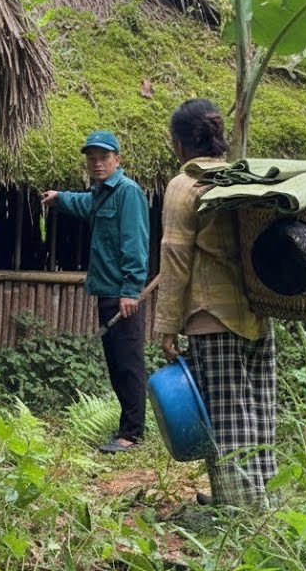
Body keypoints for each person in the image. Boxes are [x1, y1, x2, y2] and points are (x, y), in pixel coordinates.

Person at [155, 99, 274, 507]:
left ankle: (236, 509)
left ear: (179, 144)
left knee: (224, 417)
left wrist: (167, 324)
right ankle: (259, 498)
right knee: (258, 411)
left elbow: (174, 256)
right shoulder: (241, 179)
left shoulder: (184, 185)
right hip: (259, 312)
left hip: (211, 316)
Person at [42, 131, 150, 453]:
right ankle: (127, 430)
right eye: (92, 158)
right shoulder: (101, 194)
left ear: (117, 160)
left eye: (104, 157)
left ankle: (132, 434)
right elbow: (83, 203)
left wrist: (131, 290)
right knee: (116, 363)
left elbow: (135, 244)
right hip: (106, 292)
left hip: (122, 296)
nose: (97, 163)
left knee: (128, 363)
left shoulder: (127, 193)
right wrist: (59, 197)